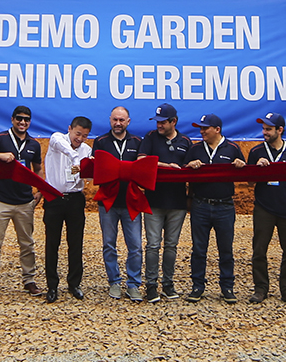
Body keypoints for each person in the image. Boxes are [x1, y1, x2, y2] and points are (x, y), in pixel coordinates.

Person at [0, 106, 43, 300]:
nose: (23, 122)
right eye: (19, 118)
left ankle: (29, 280)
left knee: (27, 244)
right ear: (12, 119)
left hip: (24, 201)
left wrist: (40, 190)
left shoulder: (34, 144)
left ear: (30, 122)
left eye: (26, 119)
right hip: (0, 200)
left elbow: (37, 168)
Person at [184, 114, 245, 304]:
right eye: (200, 128)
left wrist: (240, 165)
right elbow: (183, 170)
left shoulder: (232, 148)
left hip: (224, 205)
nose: (201, 131)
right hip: (200, 204)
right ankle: (197, 286)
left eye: (205, 128)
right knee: (198, 249)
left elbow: (245, 171)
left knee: (225, 249)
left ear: (217, 129)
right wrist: (189, 165)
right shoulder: (195, 149)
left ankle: (227, 287)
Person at [247, 112, 286, 304]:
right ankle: (260, 288)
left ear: (280, 130)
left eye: (268, 129)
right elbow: (249, 182)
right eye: (263, 128)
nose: (264, 132)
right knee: (259, 250)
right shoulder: (256, 151)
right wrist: (256, 168)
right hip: (264, 207)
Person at [138, 103, 191, 301]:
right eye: (157, 121)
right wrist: (165, 166)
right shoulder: (151, 137)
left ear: (173, 122)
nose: (159, 125)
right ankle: (151, 285)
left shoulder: (185, 141)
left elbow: (190, 166)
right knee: (153, 245)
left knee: (171, 245)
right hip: (154, 200)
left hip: (177, 202)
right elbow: (141, 160)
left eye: (163, 122)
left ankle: (168, 284)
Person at [91, 106, 143, 301]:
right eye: (115, 119)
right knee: (109, 244)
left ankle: (133, 284)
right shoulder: (100, 142)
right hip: (108, 202)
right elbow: (95, 170)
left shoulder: (137, 142)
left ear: (128, 121)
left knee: (135, 246)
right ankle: (114, 282)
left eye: (122, 120)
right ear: (110, 120)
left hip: (131, 201)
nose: (118, 123)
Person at [42, 116, 93, 303]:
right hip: (54, 198)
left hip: (75, 199)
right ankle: (52, 285)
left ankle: (74, 283)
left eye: (84, 136)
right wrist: (74, 156)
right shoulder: (57, 139)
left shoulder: (86, 150)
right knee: (52, 243)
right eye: (77, 134)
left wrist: (90, 168)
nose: (80, 139)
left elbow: (86, 175)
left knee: (76, 243)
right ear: (70, 128)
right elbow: (62, 147)